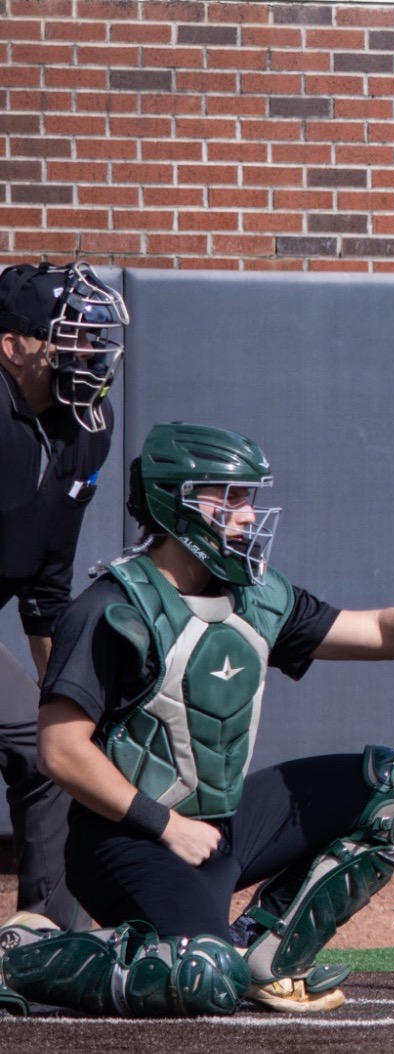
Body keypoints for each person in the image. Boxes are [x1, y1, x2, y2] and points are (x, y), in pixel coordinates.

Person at [0, 422, 394, 1016]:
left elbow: (377, 633)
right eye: (226, 498)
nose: (244, 516)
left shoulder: (258, 597)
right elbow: (60, 750)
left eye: (248, 498)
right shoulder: (113, 608)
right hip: (126, 842)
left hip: (221, 829)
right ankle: (25, 955)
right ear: (174, 503)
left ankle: (266, 955)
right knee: (202, 977)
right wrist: (164, 826)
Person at [0, 260, 127, 930]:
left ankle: (42, 939)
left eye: (89, 334)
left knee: (48, 753)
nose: (87, 350)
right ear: (12, 345)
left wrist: (63, 706)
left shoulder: (87, 429)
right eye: (66, 334)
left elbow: (47, 585)